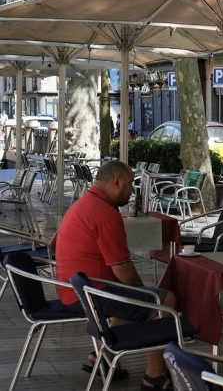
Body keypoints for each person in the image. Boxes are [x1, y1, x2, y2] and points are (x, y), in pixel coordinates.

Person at [54, 161, 177, 391]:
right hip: (88, 293)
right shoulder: (105, 214)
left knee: (135, 299)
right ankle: (155, 376)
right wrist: (146, 295)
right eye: (131, 183)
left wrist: (139, 295)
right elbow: (122, 268)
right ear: (116, 182)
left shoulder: (87, 202)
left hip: (76, 288)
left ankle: (104, 356)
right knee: (163, 301)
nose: (133, 190)